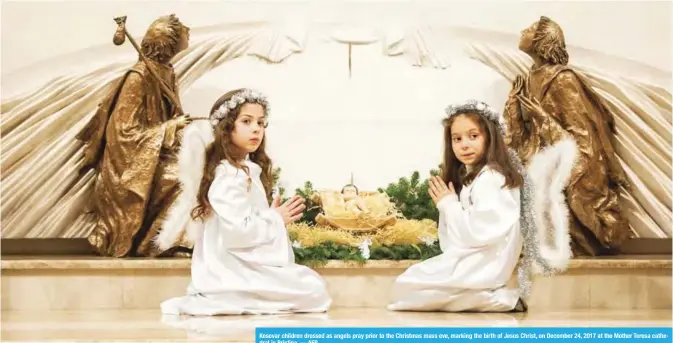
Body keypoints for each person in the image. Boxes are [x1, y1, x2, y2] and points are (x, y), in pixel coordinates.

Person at [387, 100, 572, 312]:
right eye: (457, 139)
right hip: (475, 258)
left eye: (473, 136)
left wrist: (448, 204)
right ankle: (483, 296)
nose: (464, 144)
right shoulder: (474, 177)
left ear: (490, 137)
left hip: (485, 262)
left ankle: (502, 300)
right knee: (408, 286)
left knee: (410, 289)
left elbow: (479, 231)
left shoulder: (491, 177)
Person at [160, 88, 332, 315]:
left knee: (311, 286)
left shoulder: (244, 170)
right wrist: (275, 218)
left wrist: (269, 216)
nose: (256, 129)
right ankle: (233, 294)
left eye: (261, 123)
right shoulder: (227, 176)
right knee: (312, 290)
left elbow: (246, 221)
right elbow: (238, 233)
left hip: (240, 264)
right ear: (227, 128)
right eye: (246, 121)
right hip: (230, 271)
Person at [504, 16, 630, 256]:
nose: (522, 30)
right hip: (538, 154)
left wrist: (541, 117)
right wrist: (513, 105)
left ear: (543, 40)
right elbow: (519, 138)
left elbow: (584, 137)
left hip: (565, 159)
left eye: (530, 29)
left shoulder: (563, 79)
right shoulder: (531, 77)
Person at [77, 14, 193, 257]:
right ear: (169, 41)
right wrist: (169, 127)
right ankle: (154, 244)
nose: (188, 30)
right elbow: (122, 132)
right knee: (184, 178)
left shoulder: (167, 72)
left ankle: (176, 240)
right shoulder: (138, 77)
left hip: (158, 152)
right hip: (131, 164)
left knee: (200, 165)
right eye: (182, 29)